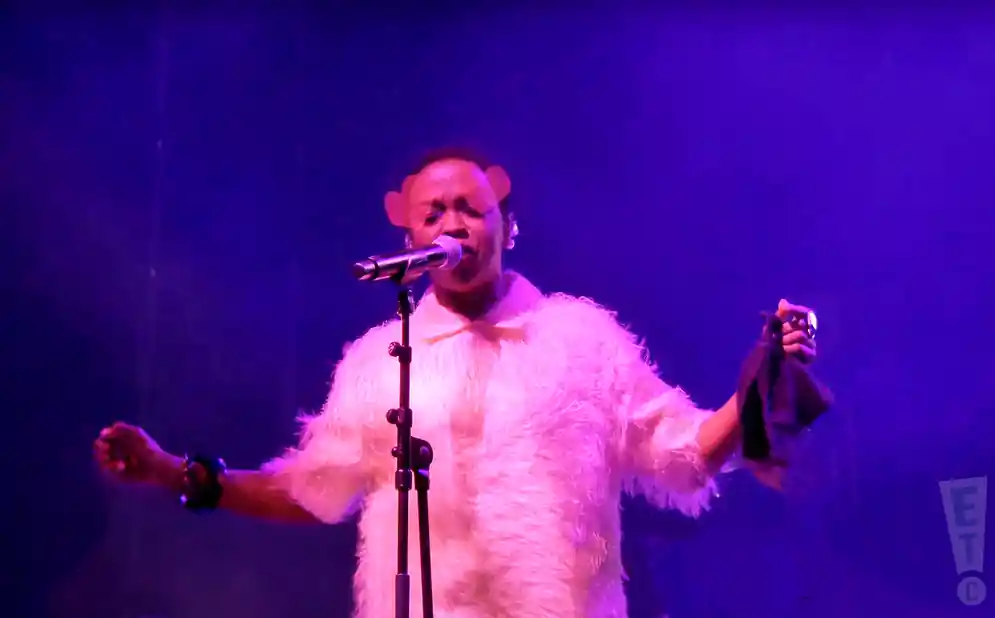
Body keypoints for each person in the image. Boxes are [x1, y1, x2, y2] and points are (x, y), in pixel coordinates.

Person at [94, 149, 820, 618]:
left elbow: (684, 452)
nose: (453, 223)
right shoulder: (383, 358)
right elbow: (309, 488)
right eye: (433, 213)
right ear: (411, 239)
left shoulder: (580, 340)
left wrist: (762, 377)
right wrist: (176, 473)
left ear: (508, 227)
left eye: (470, 209)